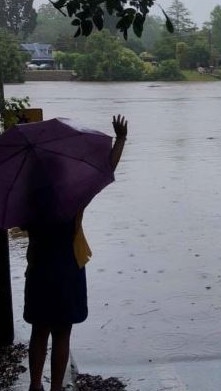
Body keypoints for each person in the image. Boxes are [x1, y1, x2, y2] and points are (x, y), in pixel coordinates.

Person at [25, 114, 128, 391]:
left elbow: (26, 234)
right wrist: (120, 139)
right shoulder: (73, 196)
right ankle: (56, 387)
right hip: (69, 268)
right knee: (62, 334)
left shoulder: (28, 201)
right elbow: (104, 171)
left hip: (39, 270)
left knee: (39, 333)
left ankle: (35, 385)